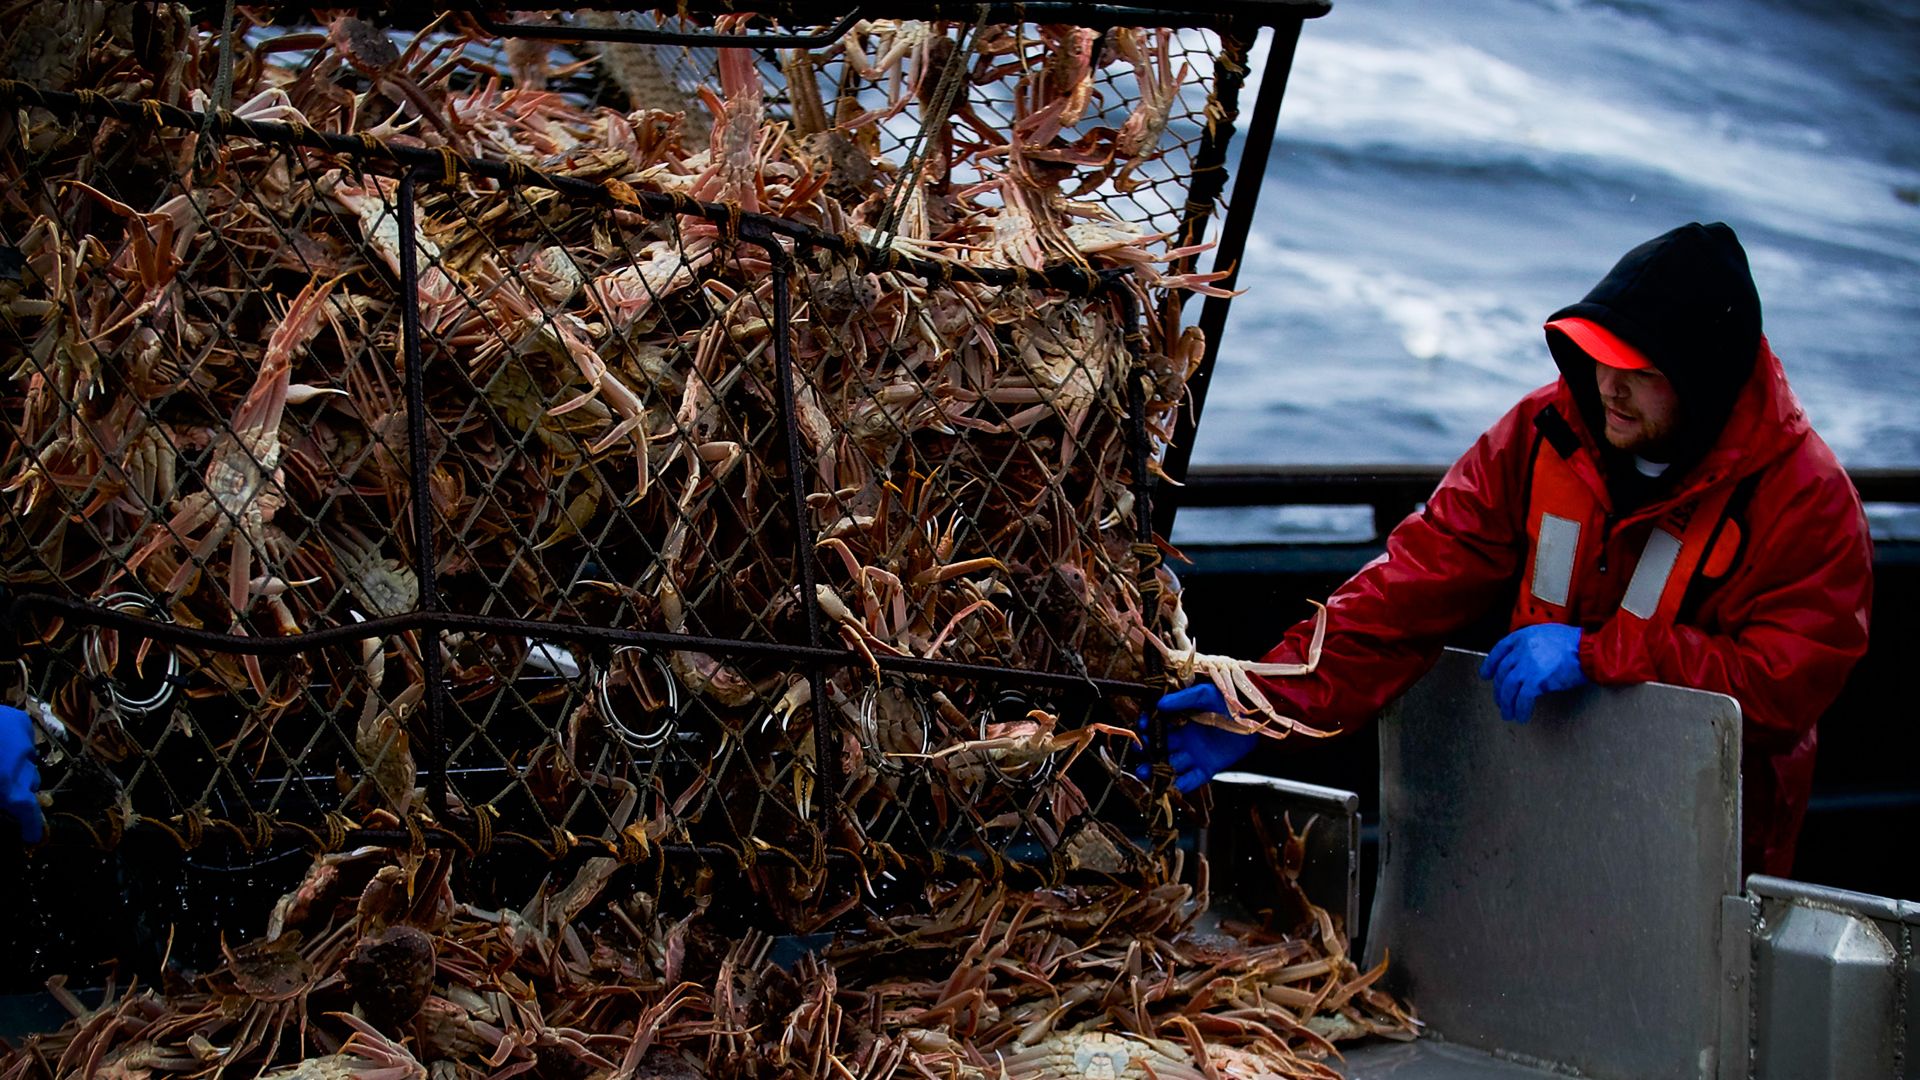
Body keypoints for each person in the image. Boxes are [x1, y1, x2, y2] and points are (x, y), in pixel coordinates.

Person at [1157, 222, 1873, 878]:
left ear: (1702, 382)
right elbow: (1411, 585)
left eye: (1642, 374)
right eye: (1597, 358)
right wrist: (1260, 703)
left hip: (1699, 842)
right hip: (1543, 793)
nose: (1609, 389)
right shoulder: (1540, 432)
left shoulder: (1806, 498)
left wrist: (1596, 654)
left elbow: (1787, 684)